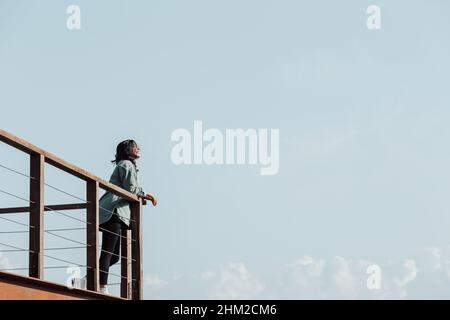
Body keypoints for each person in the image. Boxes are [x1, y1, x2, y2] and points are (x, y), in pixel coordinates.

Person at [97, 139, 157, 294]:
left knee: (114, 256)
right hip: (114, 211)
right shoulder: (126, 164)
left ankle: (86, 279)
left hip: (116, 212)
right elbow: (131, 188)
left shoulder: (127, 165)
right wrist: (146, 195)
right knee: (108, 252)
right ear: (127, 150)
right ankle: (102, 287)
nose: (138, 148)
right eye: (134, 146)